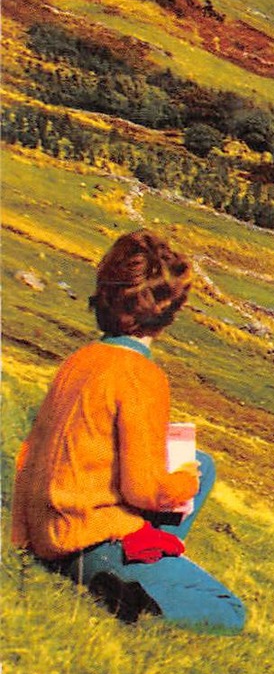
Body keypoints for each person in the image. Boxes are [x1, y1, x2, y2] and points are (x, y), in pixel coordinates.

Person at [10, 230, 247, 633]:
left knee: (201, 463)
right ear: (169, 311)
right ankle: (131, 590)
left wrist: (23, 539)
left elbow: (29, 455)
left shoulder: (82, 358)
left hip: (45, 529)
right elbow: (143, 490)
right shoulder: (141, 375)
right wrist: (182, 483)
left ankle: (149, 561)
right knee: (228, 610)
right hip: (86, 541)